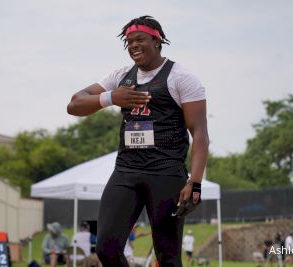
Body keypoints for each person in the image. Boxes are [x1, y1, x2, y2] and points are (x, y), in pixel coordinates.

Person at [67, 15, 209, 267]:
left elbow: (199, 133)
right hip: (127, 171)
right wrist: (110, 97)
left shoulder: (181, 77)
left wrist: (195, 182)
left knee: (168, 256)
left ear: (157, 41)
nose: (133, 45)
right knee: (106, 248)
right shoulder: (121, 76)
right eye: (129, 41)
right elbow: (74, 104)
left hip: (166, 173)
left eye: (139, 39)